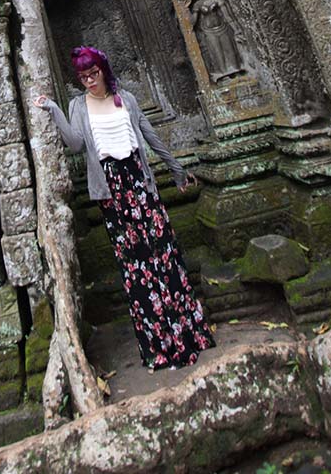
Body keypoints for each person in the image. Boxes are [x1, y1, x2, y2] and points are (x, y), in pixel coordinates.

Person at [35, 45, 215, 371]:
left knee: (163, 255)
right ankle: (160, 347)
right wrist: (52, 109)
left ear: (104, 69)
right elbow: (75, 144)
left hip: (139, 183)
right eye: (84, 76)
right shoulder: (78, 106)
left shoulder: (126, 100)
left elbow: (150, 137)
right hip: (111, 190)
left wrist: (175, 170)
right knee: (136, 267)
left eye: (94, 73)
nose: (90, 80)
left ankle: (188, 335)